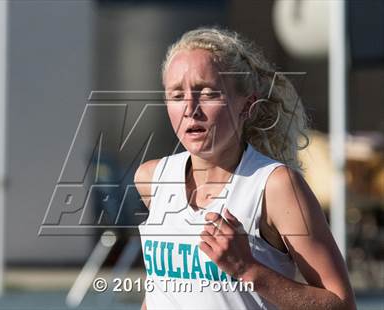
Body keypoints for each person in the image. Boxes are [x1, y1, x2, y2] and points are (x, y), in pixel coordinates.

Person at [134, 27, 356, 309]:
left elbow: (342, 304)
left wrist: (247, 270)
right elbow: (160, 292)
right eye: (177, 95)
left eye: (208, 93)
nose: (191, 108)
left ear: (247, 105)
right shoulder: (151, 178)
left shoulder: (276, 186)